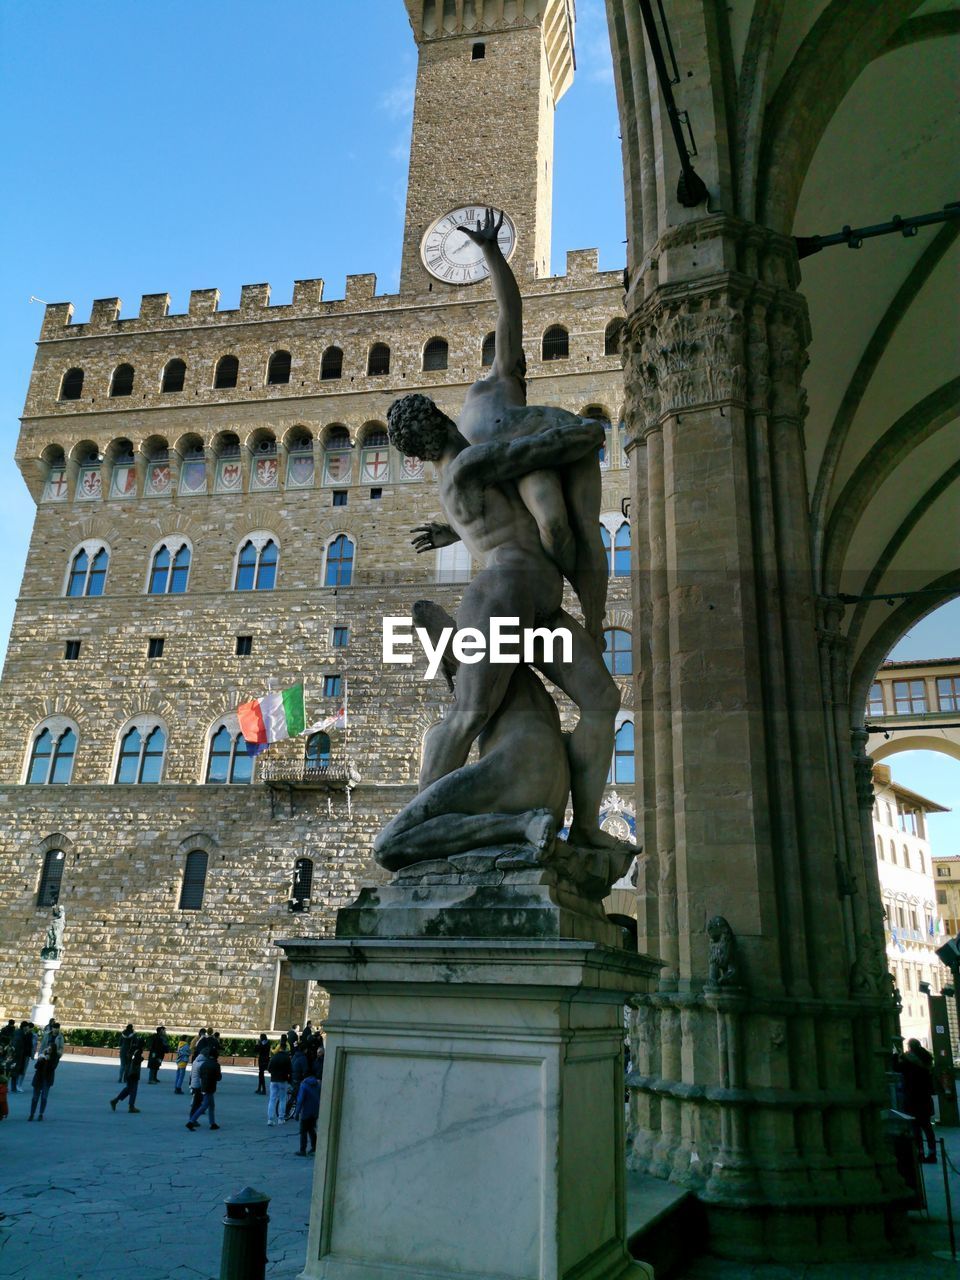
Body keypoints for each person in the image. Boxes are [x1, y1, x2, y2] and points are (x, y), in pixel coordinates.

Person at [899, 1038, 937, 1163]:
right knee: (927, 1127)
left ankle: (920, 1153)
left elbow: (899, 1069)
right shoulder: (926, 1058)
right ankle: (932, 1153)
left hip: (913, 1098)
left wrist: (898, 1057)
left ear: (910, 1047)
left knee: (916, 1128)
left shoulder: (908, 1060)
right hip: (925, 1098)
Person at [186, 1045, 221, 1131]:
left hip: (204, 1086)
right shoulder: (216, 1065)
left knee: (211, 1105)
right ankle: (191, 1121)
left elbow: (200, 1075)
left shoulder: (203, 1063)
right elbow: (219, 1078)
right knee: (204, 1106)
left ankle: (212, 1123)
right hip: (210, 1087)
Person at [110, 1035, 144, 1113]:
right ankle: (131, 1106)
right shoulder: (138, 1051)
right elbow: (136, 1061)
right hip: (133, 1073)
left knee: (128, 1089)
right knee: (133, 1090)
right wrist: (141, 1059)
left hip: (128, 1071)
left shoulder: (132, 1049)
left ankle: (115, 1100)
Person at [294, 1068, 320, 1156]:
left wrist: (297, 1113)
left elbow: (300, 1100)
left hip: (306, 1111)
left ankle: (302, 1150)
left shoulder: (304, 1085)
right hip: (315, 1111)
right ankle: (314, 1147)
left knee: (303, 1130)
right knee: (311, 1129)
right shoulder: (318, 1085)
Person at [267, 1035, 292, 1126]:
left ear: (279, 1047)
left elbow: (269, 1069)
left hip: (273, 1080)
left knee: (272, 1099)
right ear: (285, 1048)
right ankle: (281, 1118)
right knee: (282, 1099)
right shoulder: (287, 1058)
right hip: (283, 1080)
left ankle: (270, 1119)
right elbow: (290, 1070)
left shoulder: (274, 1057)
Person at [28, 1049, 55, 1121]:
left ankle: (41, 1114)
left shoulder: (53, 1059)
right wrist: (41, 1060)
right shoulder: (41, 1057)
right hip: (38, 1079)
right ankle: (32, 1113)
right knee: (35, 1097)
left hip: (46, 1080)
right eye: (47, 1049)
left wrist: (48, 1060)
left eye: (50, 1049)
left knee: (44, 1097)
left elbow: (52, 1068)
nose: (48, 1050)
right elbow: (36, 1066)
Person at [11, 1021, 33, 1092]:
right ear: (24, 1027)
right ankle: (14, 1087)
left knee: (15, 1070)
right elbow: (22, 1045)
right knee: (16, 1070)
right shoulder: (22, 1034)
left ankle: (14, 1087)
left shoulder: (17, 1032)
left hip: (17, 1054)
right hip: (19, 1055)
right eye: (27, 1027)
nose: (28, 1028)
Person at [188, 1046, 207, 1116]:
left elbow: (191, 1073)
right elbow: (202, 1076)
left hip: (194, 1083)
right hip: (199, 1084)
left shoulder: (196, 1061)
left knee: (196, 1100)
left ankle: (196, 1112)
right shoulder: (202, 1064)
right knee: (197, 1101)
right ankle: (193, 1117)